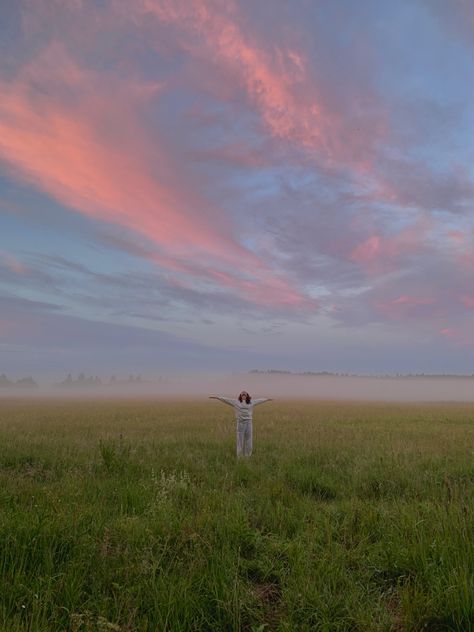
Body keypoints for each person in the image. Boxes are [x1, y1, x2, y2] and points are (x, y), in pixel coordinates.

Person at [209, 391, 272, 457]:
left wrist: (267, 399)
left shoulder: (251, 402)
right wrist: (218, 398)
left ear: (247, 396)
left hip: (249, 423)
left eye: (245, 395)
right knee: (240, 441)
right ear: (240, 396)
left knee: (249, 440)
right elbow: (227, 400)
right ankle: (239, 457)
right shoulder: (236, 402)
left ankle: (247, 456)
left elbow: (259, 400)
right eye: (242, 395)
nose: (243, 396)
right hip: (240, 423)